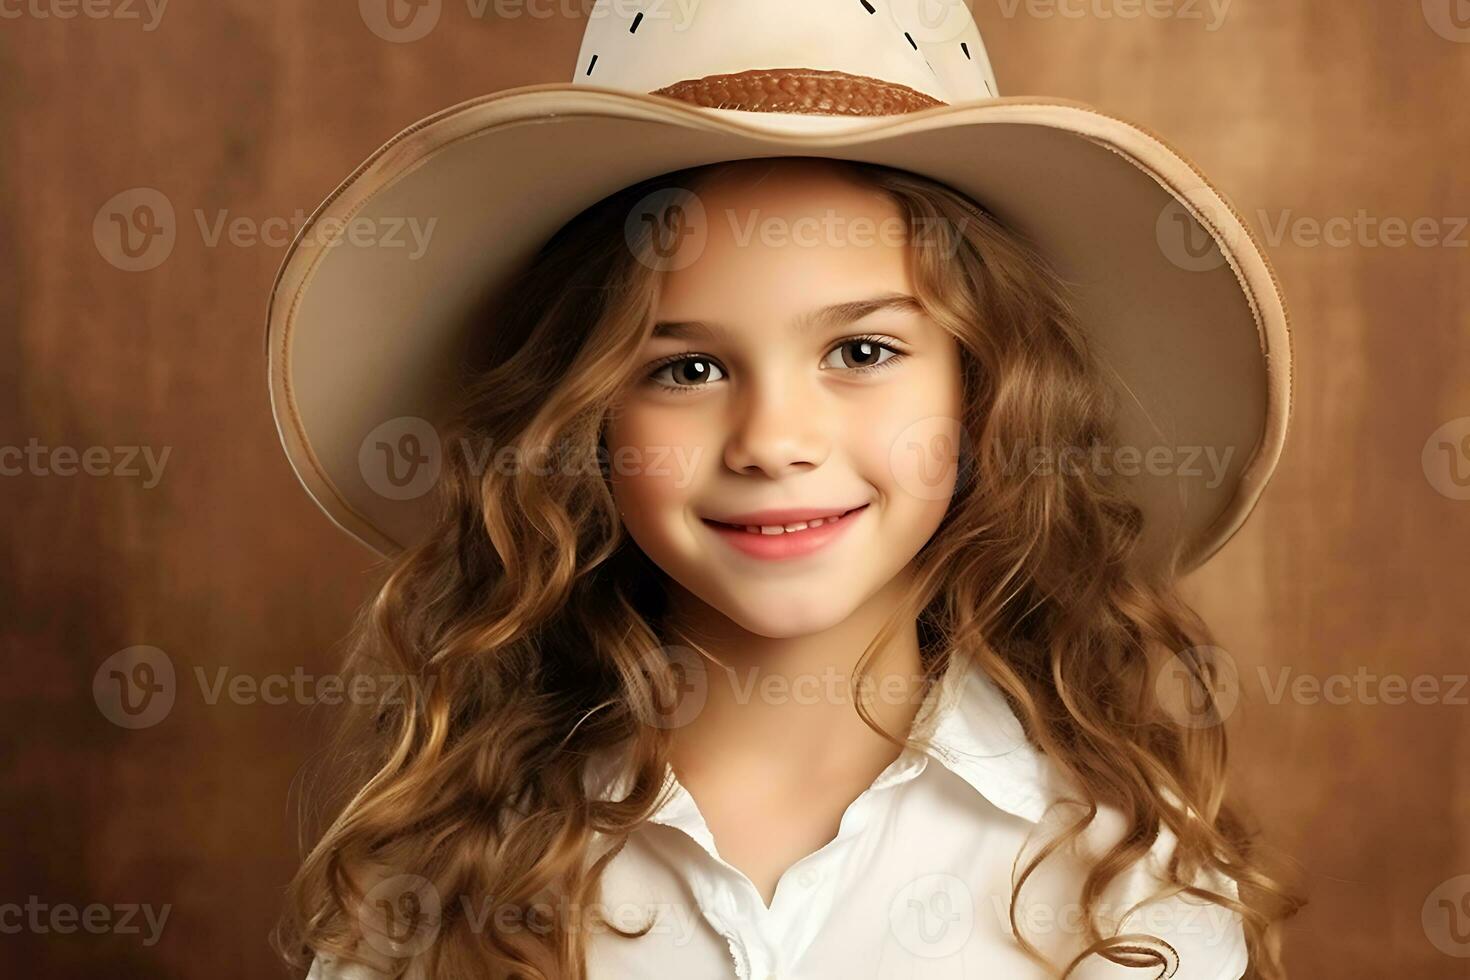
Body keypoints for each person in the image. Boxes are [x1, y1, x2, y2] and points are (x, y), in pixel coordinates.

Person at [266, 4, 1300, 979]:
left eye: (861, 348)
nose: (773, 441)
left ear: (986, 392)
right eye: (686, 368)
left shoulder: (1123, 889)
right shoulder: (439, 880)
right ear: (584, 419)